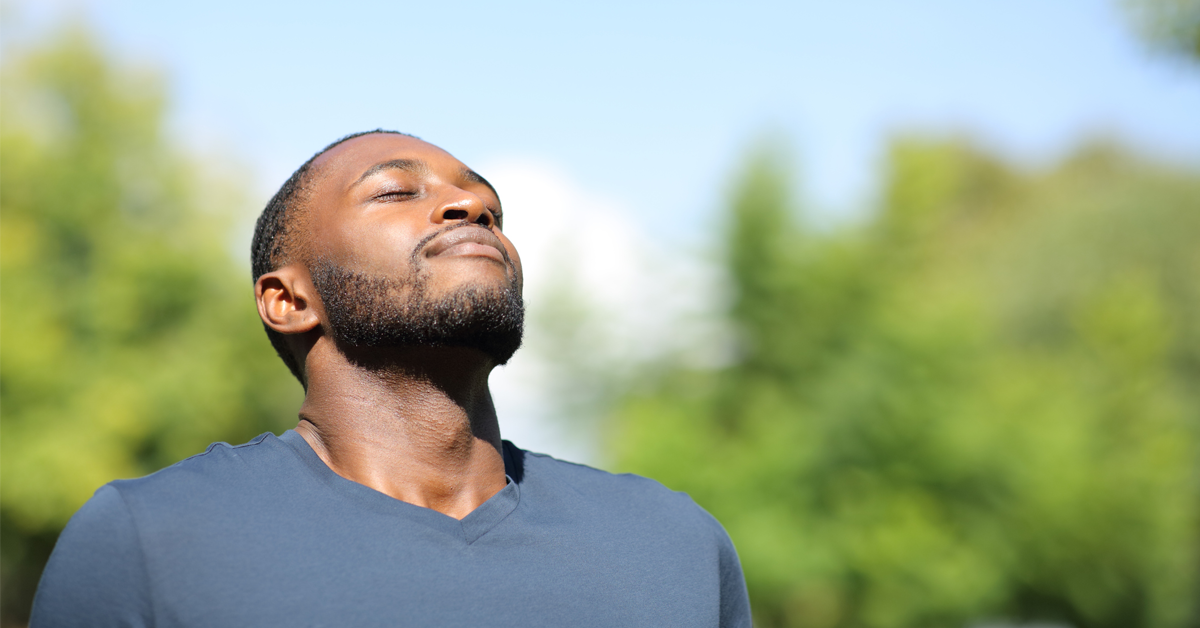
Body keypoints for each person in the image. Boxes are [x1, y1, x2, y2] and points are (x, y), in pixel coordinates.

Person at [30, 130, 752, 627]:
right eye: (395, 192)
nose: (471, 209)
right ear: (288, 301)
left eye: (490, 209)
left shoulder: (673, 545)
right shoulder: (153, 540)